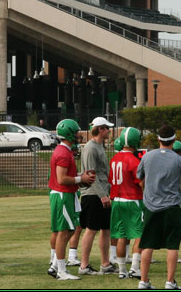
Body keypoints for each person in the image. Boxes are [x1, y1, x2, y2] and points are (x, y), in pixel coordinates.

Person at [136, 124, 181, 289]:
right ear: (174, 140)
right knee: (172, 245)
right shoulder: (179, 160)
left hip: (151, 206)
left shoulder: (147, 157)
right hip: (171, 207)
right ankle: (170, 281)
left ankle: (144, 280)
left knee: (147, 244)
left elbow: (139, 178)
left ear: (158, 139)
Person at [47, 119, 95, 281]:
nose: (77, 135)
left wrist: (81, 179)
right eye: (75, 132)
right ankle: (60, 270)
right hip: (62, 194)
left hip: (67, 193)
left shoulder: (65, 151)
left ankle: (55, 265)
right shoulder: (62, 152)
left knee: (70, 229)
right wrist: (80, 178)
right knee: (64, 231)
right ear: (69, 133)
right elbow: (61, 179)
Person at [77, 117, 116, 275]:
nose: (109, 131)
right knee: (91, 230)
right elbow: (91, 175)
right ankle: (84, 265)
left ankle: (105, 263)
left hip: (101, 193)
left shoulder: (99, 146)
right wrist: (102, 195)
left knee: (105, 229)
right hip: (93, 195)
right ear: (100, 129)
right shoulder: (90, 148)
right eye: (107, 128)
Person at [108, 127, 144, 279]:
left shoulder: (114, 159)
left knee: (122, 235)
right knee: (141, 234)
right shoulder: (134, 160)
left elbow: (111, 181)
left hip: (117, 200)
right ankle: (135, 268)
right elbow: (141, 183)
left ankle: (122, 270)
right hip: (132, 200)